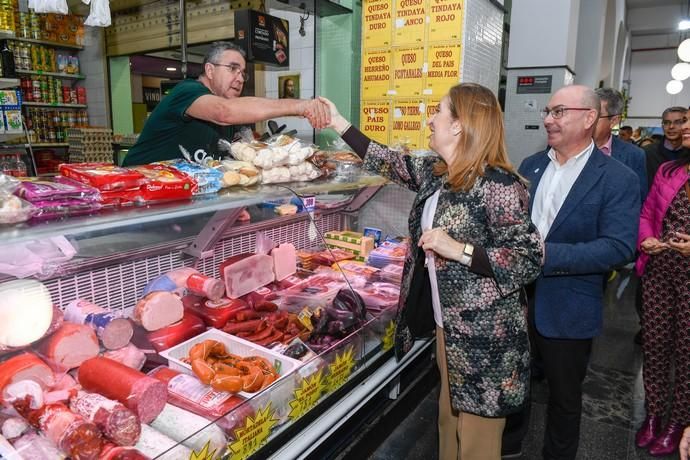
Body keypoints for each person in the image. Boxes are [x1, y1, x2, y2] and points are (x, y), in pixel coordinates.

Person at [321, 83, 543, 460]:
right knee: (448, 423)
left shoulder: (499, 185)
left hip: (485, 340)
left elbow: (529, 257)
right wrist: (338, 121)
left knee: (477, 442)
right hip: (448, 329)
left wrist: (459, 249)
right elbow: (387, 160)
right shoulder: (437, 172)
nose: (430, 119)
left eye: (438, 112)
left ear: (459, 125)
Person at [509, 85, 640, 459]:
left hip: (569, 306)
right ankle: (511, 446)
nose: (548, 119)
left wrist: (546, 253)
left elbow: (618, 247)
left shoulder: (617, 178)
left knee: (564, 399)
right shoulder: (530, 166)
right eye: (548, 111)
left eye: (559, 111)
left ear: (589, 118)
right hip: (517, 300)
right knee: (515, 384)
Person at [123, 42, 328, 166]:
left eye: (242, 73)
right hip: (137, 190)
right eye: (232, 68)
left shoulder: (231, 116)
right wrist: (299, 106)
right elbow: (224, 112)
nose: (240, 78)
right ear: (210, 71)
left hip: (180, 196)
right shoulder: (187, 91)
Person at [634, 108, 690, 457]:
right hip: (659, 270)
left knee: (687, 353)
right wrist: (646, 239)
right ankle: (653, 415)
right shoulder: (670, 170)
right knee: (654, 346)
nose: (683, 127)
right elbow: (646, 213)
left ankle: (678, 422)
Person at [593, 88, 647, 201]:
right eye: (586, 113)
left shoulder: (634, 155)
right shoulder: (566, 147)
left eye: (596, 116)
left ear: (614, 121)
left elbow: (637, 198)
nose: (588, 120)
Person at [644, 106, 689, 188]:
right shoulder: (646, 152)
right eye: (666, 122)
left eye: (678, 122)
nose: (671, 126)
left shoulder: (688, 154)